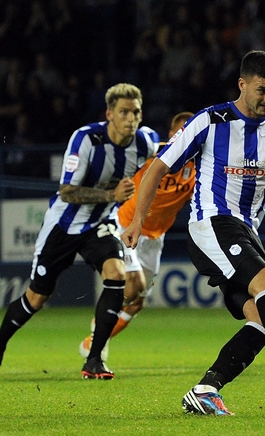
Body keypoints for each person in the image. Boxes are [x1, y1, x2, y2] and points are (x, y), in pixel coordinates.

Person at [121, 51, 265, 416]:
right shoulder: (210, 121)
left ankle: (205, 389)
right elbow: (158, 168)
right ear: (243, 84)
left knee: (262, 318)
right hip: (210, 224)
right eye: (262, 90)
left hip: (245, 231)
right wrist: (137, 221)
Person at [0, 83, 159, 379]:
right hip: (64, 226)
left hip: (101, 224)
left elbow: (164, 158)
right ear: (109, 114)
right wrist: (112, 196)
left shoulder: (146, 142)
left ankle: (94, 359)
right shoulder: (86, 139)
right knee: (36, 298)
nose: (131, 119)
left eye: (136, 112)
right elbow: (67, 192)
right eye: (124, 112)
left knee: (117, 275)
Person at [79, 111, 195, 361]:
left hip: (155, 237)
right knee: (134, 284)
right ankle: (98, 335)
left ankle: (96, 338)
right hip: (127, 226)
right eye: (181, 133)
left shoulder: (199, 167)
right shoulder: (154, 154)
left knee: (137, 302)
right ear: (172, 135)